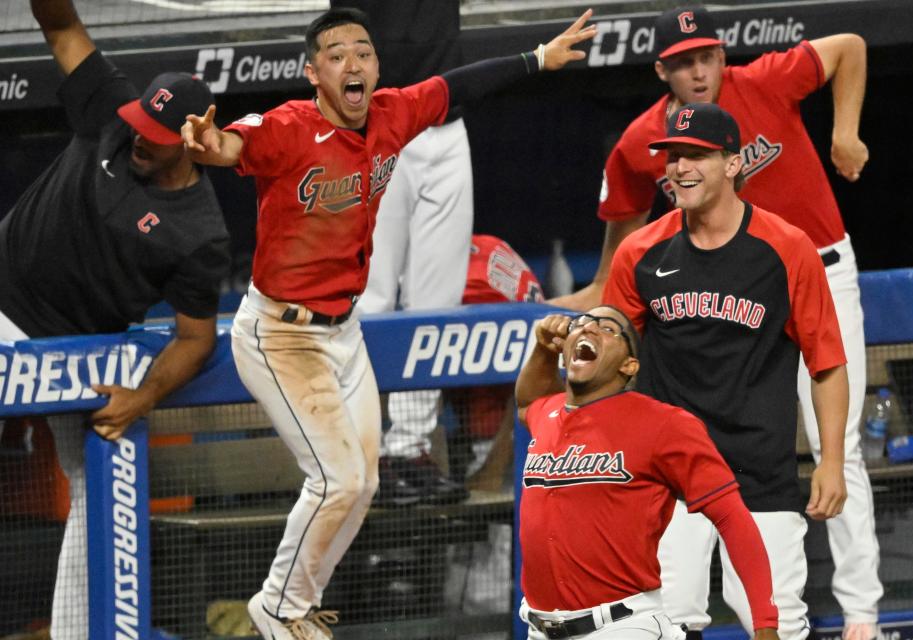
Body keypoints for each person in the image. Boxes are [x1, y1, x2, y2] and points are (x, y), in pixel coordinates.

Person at [181, 7, 597, 639]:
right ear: (312, 71)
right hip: (281, 335)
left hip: (344, 336)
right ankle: (277, 606)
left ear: (377, 67)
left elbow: (461, 86)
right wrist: (209, 144)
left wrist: (539, 57)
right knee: (337, 478)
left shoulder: (393, 114)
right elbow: (234, 142)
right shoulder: (291, 126)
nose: (354, 63)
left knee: (366, 482)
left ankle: (296, 605)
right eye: (337, 54)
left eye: (364, 52)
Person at [558, 7, 881, 639]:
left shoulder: (763, 81)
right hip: (715, 273)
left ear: (721, 57)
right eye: (682, 61)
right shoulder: (644, 140)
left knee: (836, 447)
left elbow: (849, 45)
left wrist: (845, 132)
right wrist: (598, 288)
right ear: (662, 70)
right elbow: (623, 212)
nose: (698, 70)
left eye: (705, 56)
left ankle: (862, 613)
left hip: (814, 258)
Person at [0, 1, 230, 638]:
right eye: (137, 125)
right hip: (2, 297)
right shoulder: (112, 110)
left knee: (101, 479)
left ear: (188, 140)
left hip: (78, 347)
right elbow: (63, 28)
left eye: (155, 137)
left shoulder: (198, 233)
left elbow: (196, 338)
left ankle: (79, 633)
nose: (136, 138)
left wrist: (143, 396)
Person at [604, 103, 848, 640]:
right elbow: (612, 369)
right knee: (663, 625)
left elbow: (826, 363)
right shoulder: (639, 252)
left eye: (696, 155)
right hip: (669, 478)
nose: (680, 168)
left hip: (758, 473)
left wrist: (831, 461)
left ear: (734, 163)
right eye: (672, 157)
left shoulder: (786, 248)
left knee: (778, 626)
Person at [515, 304, 780, 640]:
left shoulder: (664, 424)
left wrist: (765, 623)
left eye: (608, 329)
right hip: (539, 628)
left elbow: (731, 517)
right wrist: (542, 349)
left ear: (630, 365)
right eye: (581, 324)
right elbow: (526, 402)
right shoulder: (548, 413)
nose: (589, 329)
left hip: (621, 626)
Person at [347, 0, 474, 508]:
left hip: (447, 124)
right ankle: (360, 451)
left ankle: (409, 450)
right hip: (381, 123)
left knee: (437, 304)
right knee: (371, 299)